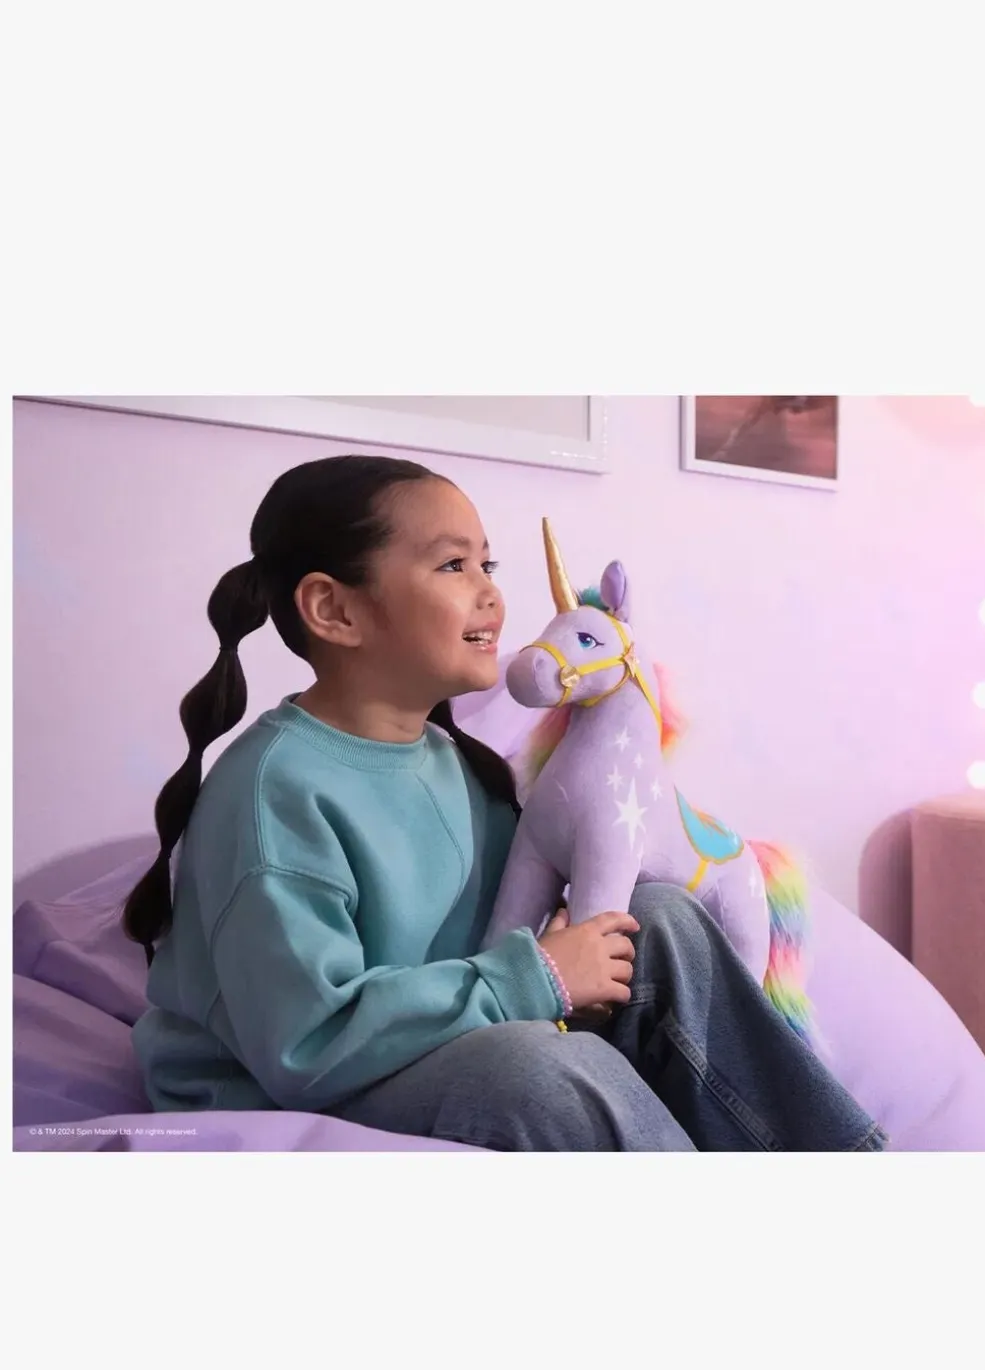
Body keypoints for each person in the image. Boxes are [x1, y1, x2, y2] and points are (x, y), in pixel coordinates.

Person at [124, 455, 885, 1152]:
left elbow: (514, 935)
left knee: (660, 918)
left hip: (446, 1034)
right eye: (453, 564)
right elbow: (305, 1041)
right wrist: (536, 976)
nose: (491, 591)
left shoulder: (459, 766)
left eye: (487, 564)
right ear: (335, 610)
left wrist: (568, 962)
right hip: (301, 1085)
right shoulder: (275, 793)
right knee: (539, 1071)